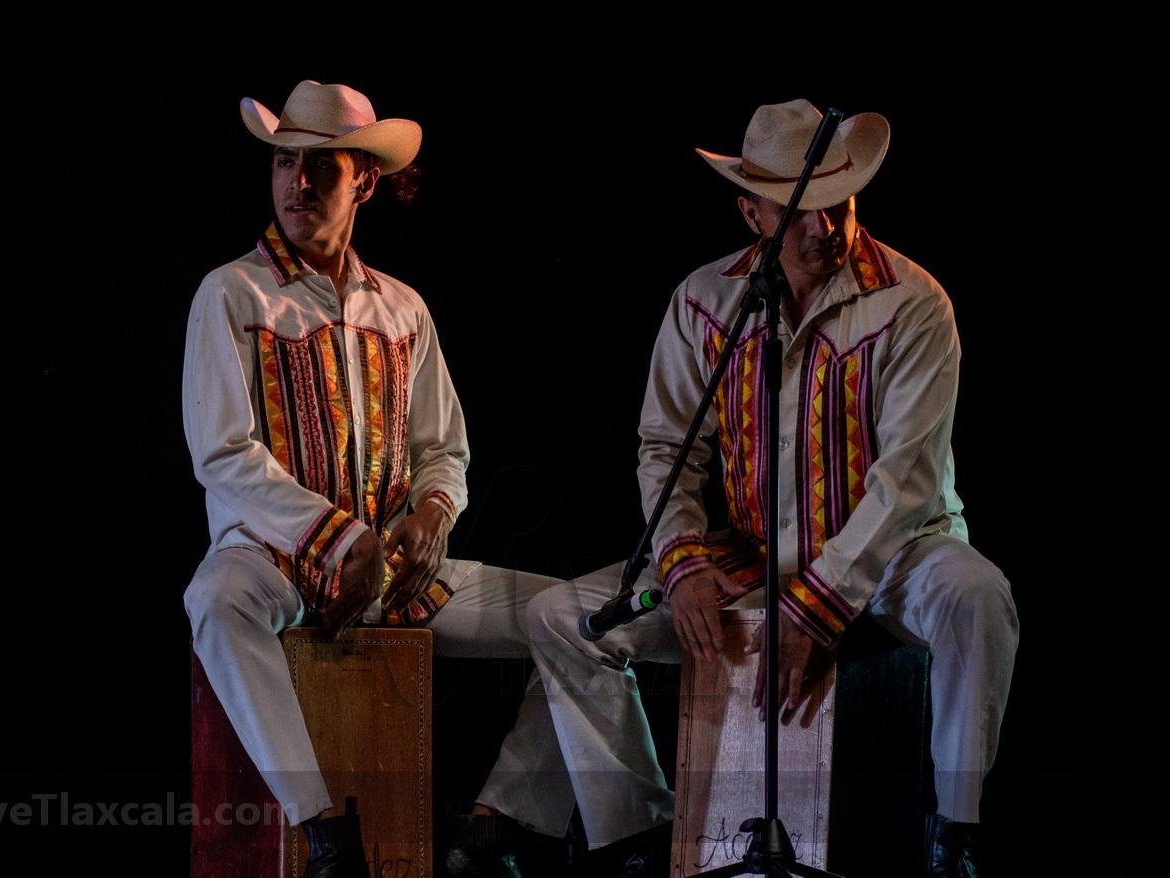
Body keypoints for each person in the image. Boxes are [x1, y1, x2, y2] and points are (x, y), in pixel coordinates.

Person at [520, 99, 1020, 877]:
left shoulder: (911, 300)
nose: (824, 227)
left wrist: (820, 603)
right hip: (755, 555)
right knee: (560, 618)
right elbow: (667, 449)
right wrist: (683, 562)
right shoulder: (702, 301)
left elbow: (906, 478)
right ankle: (639, 835)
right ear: (751, 213)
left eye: (837, 203)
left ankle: (953, 831)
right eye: (798, 211)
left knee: (976, 596)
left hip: (894, 555)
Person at [181, 80, 561, 878]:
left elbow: (443, 448)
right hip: (275, 559)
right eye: (285, 162)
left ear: (366, 181)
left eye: (322, 165)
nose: (298, 182)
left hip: (391, 573)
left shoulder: (402, 308)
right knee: (214, 599)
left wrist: (431, 514)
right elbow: (221, 452)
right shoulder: (232, 293)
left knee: (575, 620)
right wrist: (341, 537)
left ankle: (500, 820)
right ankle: (323, 832)